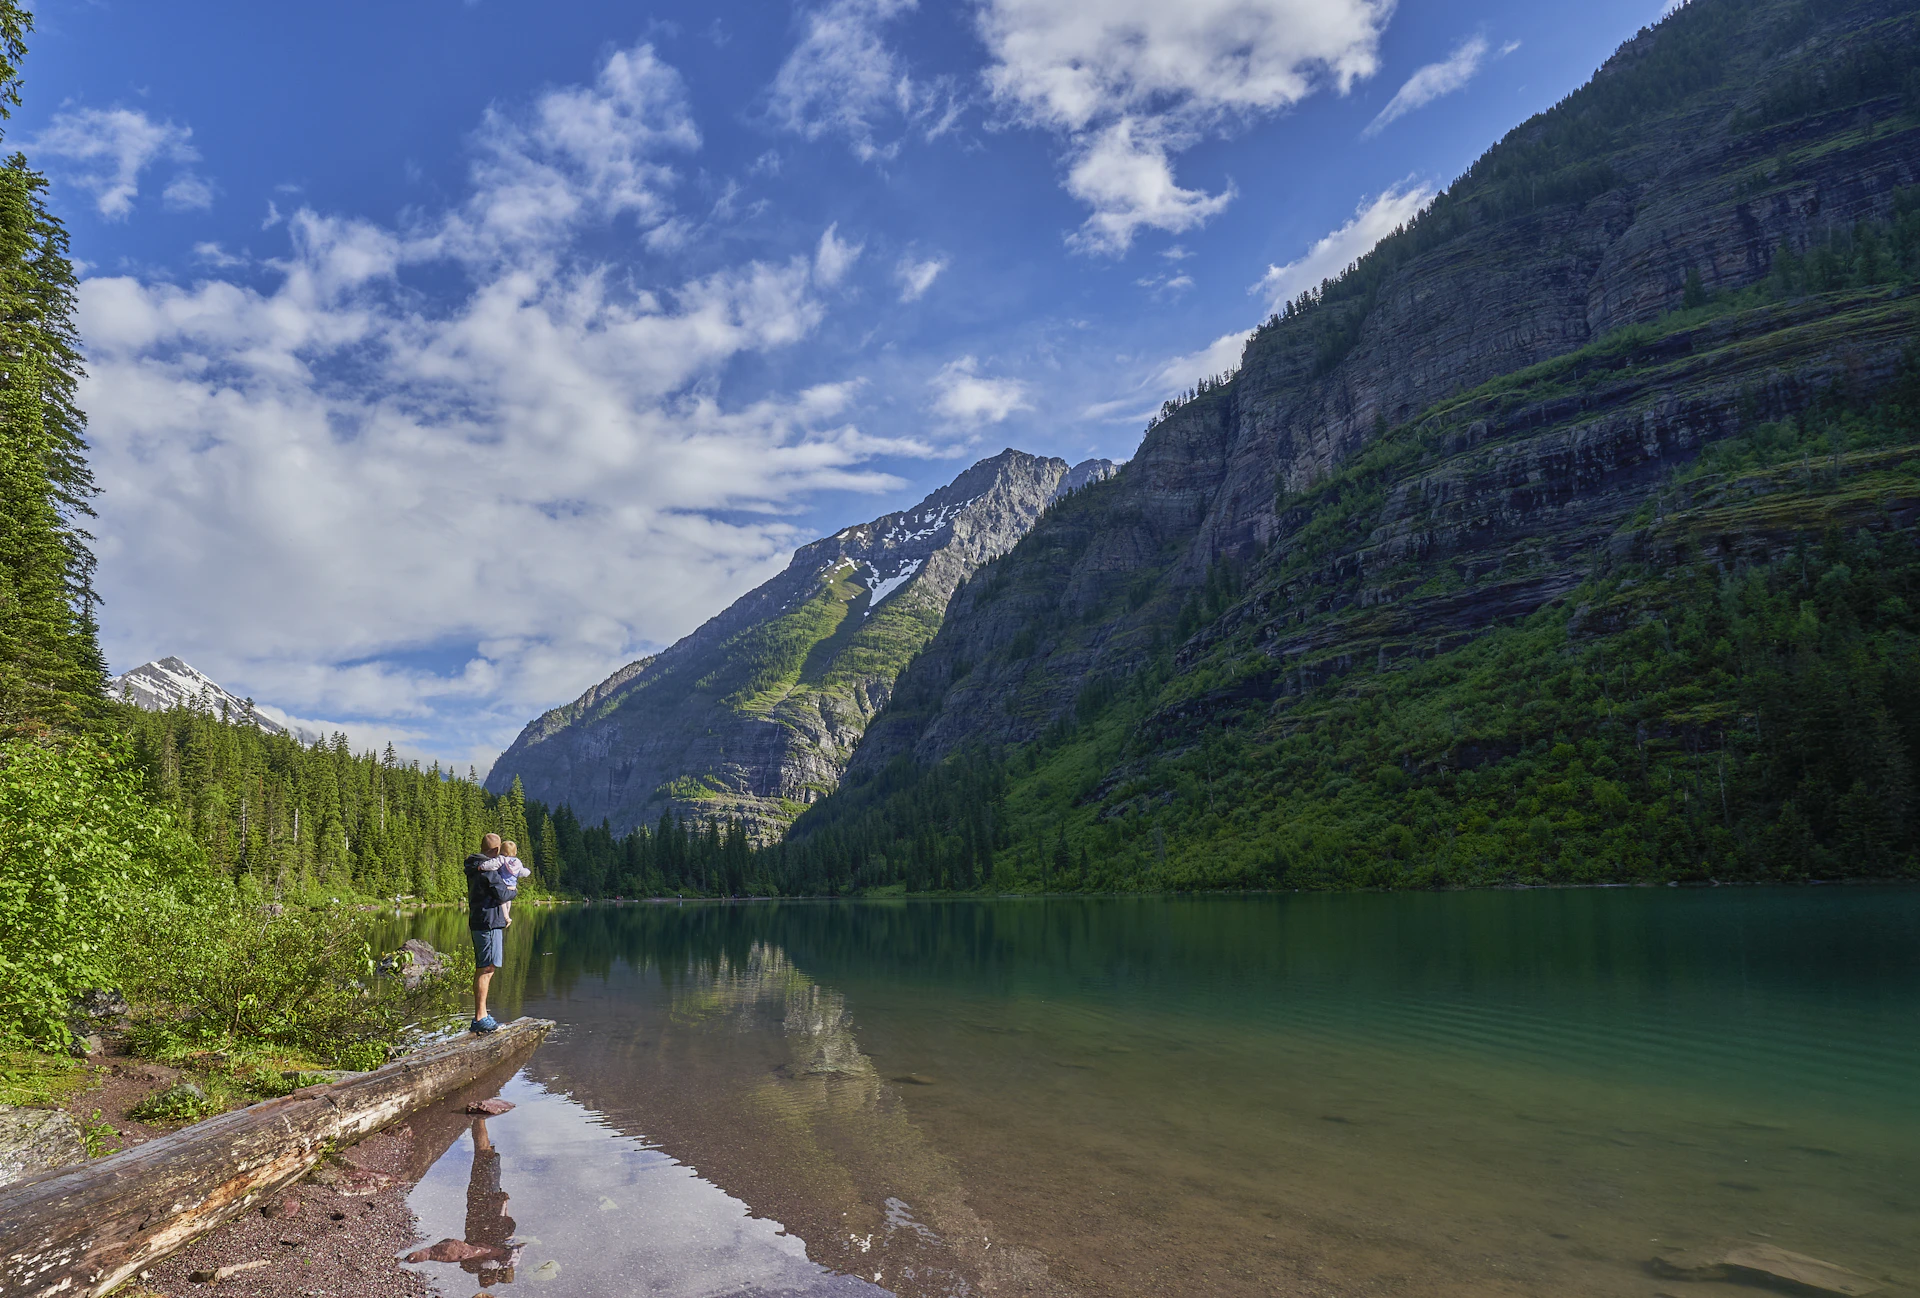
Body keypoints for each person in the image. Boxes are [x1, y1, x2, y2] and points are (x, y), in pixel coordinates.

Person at [464, 833, 513, 1034]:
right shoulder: (489, 871)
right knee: (487, 968)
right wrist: (513, 888)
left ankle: (481, 1015)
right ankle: (481, 1018)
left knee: (483, 967)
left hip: (478, 920)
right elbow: (503, 893)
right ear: (495, 851)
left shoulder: (475, 866)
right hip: (489, 923)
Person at [485, 840, 533, 926]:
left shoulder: (502, 859)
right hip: (513, 887)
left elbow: (492, 865)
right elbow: (522, 872)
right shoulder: (517, 862)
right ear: (515, 851)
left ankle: (506, 917)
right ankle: (507, 914)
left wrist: (482, 866)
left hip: (503, 886)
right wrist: (528, 872)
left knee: (502, 901)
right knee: (508, 901)